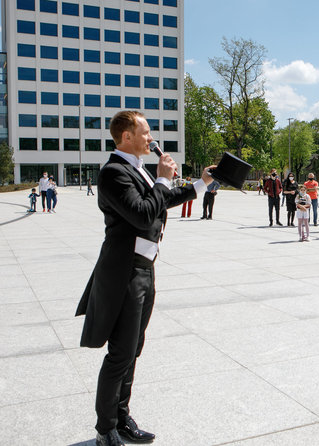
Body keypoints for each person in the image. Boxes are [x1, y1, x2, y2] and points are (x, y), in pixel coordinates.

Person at [75, 110, 217, 446]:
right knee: (120, 352)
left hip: (144, 268)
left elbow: (162, 201)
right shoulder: (113, 172)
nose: (151, 138)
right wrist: (163, 178)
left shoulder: (136, 169)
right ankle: (105, 428)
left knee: (134, 347)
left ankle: (122, 417)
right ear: (126, 136)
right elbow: (141, 214)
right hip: (124, 271)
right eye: (146, 132)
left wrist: (203, 182)